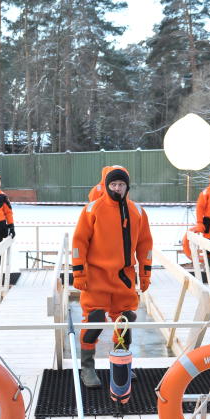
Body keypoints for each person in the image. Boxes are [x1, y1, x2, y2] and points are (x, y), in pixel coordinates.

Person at [72, 166, 153, 388]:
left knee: (125, 321)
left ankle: (121, 363)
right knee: (94, 321)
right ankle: (87, 368)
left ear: (128, 187)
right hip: (96, 277)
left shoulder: (137, 211)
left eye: (121, 185)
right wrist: (78, 271)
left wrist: (145, 273)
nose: (117, 188)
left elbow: (145, 244)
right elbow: (79, 242)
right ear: (107, 186)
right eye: (113, 184)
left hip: (124, 278)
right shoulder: (92, 210)